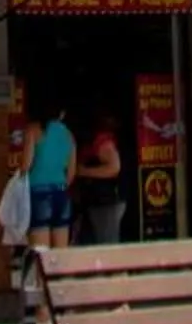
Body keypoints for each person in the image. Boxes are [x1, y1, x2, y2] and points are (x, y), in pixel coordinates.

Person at [23, 102, 76, 250]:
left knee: (41, 254)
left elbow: (26, 166)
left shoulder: (33, 130)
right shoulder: (68, 134)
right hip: (61, 193)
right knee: (60, 254)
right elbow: (71, 173)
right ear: (61, 113)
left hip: (38, 193)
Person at [71, 114, 124, 246]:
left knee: (107, 243)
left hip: (107, 201)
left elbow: (114, 168)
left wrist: (84, 172)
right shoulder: (92, 143)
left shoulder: (102, 143)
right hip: (94, 201)